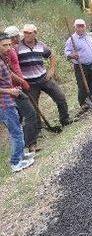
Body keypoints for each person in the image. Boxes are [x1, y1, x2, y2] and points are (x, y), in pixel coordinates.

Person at [17, 24, 71, 127]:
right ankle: (38, 129)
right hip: (29, 83)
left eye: (29, 33)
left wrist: (51, 70)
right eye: (25, 32)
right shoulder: (18, 47)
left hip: (44, 78)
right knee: (33, 107)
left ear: (35, 33)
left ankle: (65, 120)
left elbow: (52, 55)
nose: (26, 35)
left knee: (60, 97)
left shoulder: (41, 45)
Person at [1, 33, 36, 173]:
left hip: (9, 100)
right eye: (4, 45)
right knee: (16, 133)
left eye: (9, 44)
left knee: (17, 129)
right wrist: (9, 91)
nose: (8, 47)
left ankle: (21, 155)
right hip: (4, 104)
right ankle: (16, 162)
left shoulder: (3, 59)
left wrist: (19, 83)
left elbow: (8, 75)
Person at [64, 19, 92, 110]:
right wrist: (72, 55)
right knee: (82, 84)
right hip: (80, 66)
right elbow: (66, 53)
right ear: (75, 27)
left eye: (82, 26)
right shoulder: (72, 39)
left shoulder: (88, 36)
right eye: (78, 26)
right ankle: (83, 103)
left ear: (85, 26)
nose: (80, 28)